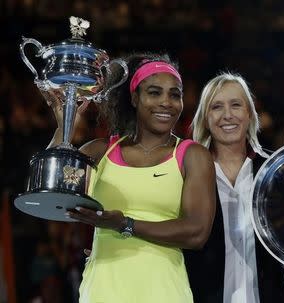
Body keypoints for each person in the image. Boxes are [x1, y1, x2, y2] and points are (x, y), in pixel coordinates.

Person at [44, 53, 216, 302]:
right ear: (134, 98)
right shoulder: (100, 151)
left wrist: (124, 224)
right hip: (102, 292)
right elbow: (50, 189)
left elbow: (196, 233)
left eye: (174, 94)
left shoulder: (192, 155)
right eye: (154, 92)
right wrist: (64, 130)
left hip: (165, 293)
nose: (166, 102)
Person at [187, 72, 284, 303]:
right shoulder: (187, 173)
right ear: (205, 117)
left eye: (236, 105)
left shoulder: (276, 171)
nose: (227, 115)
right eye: (216, 107)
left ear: (249, 114)